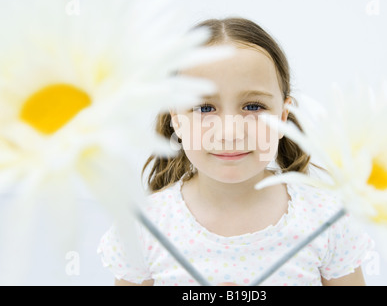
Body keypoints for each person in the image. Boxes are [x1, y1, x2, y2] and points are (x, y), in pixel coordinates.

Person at [98, 17, 373, 286]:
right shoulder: (144, 227)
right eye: (205, 108)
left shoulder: (326, 219)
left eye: (253, 106)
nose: (230, 132)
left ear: (282, 116)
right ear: (176, 119)